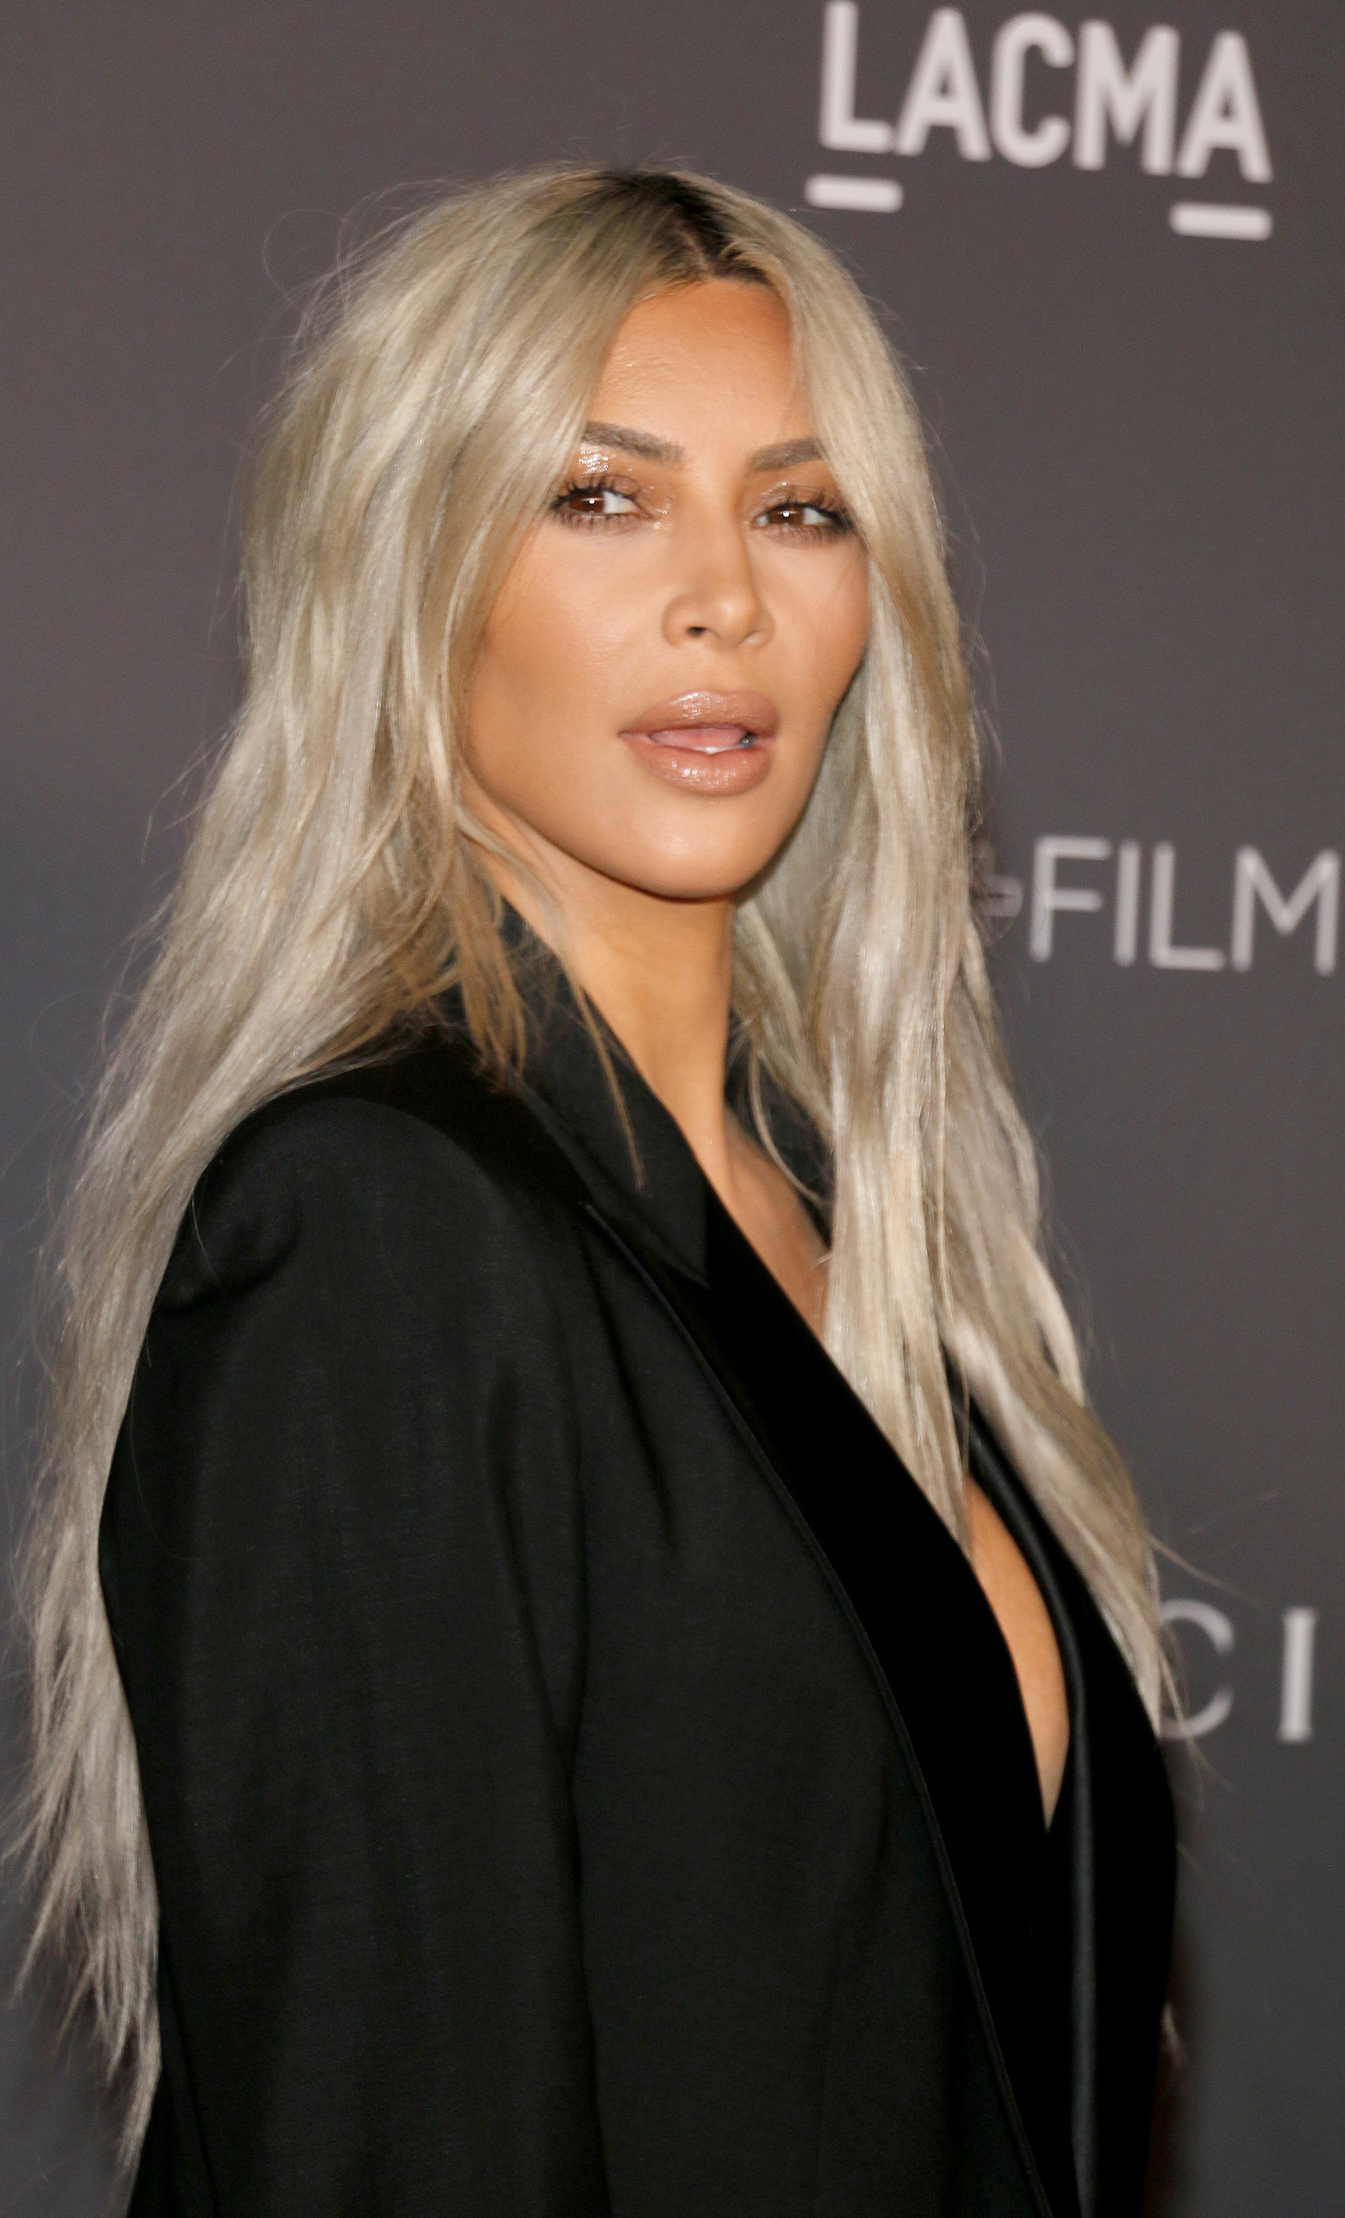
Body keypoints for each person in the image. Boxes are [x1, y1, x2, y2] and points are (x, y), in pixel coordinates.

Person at [20, 167, 1174, 2216]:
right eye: (600, 495)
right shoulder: (376, 1227)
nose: (724, 595)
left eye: (800, 511)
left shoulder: (835, 1222)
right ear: (411, 572)